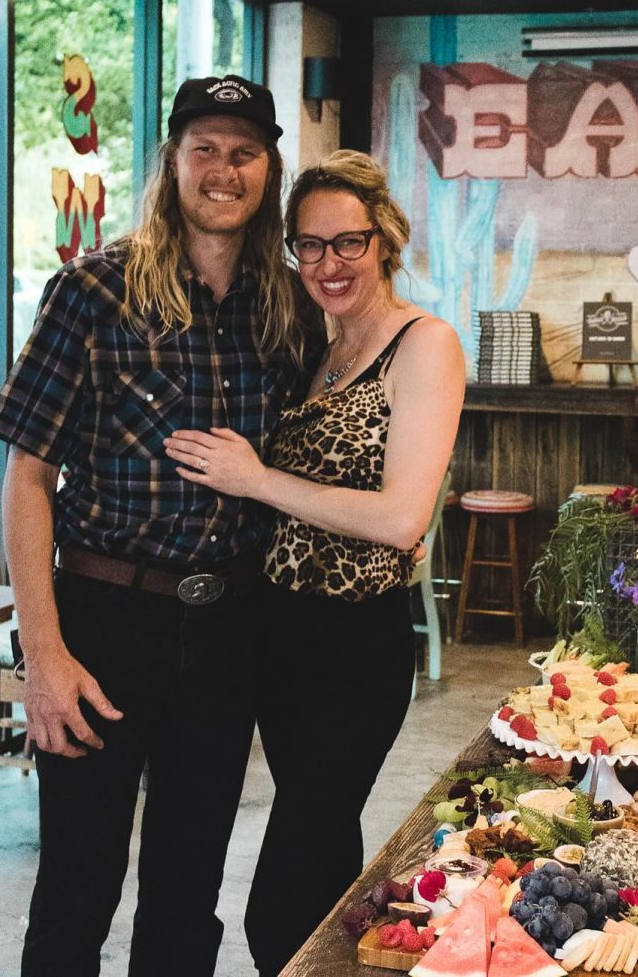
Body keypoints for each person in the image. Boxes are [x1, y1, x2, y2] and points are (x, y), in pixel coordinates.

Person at [0, 75, 323, 977]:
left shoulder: (288, 306)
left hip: (230, 629)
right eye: (203, 148)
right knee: (76, 891)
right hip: (104, 621)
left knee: (187, 893)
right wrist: (43, 656)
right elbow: (24, 477)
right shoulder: (92, 291)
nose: (223, 170)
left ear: (269, 171)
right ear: (171, 162)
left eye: (244, 152)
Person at [163, 149, 466, 975]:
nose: (328, 265)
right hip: (276, 638)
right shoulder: (315, 345)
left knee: (281, 900)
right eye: (309, 246)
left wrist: (258, 479)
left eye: (348, 244)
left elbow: (402, 519)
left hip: (354, 648)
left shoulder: (423, 344)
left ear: (385, 240)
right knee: (326, 854)